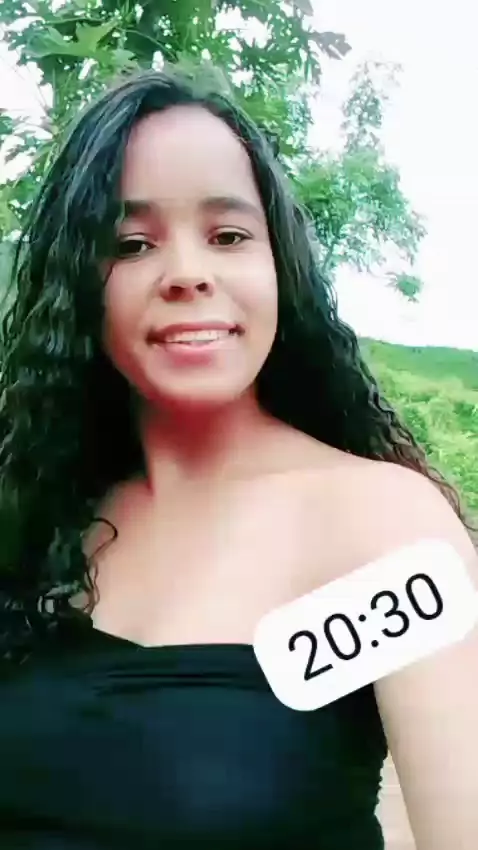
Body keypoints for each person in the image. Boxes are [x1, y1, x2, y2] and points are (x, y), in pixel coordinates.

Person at [0, 67, 477, 850]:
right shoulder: (32, 515)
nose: (189, 272)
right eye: (131, 244)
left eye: (228, 235)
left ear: (279, 266)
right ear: (78, 285)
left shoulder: (381, 532)